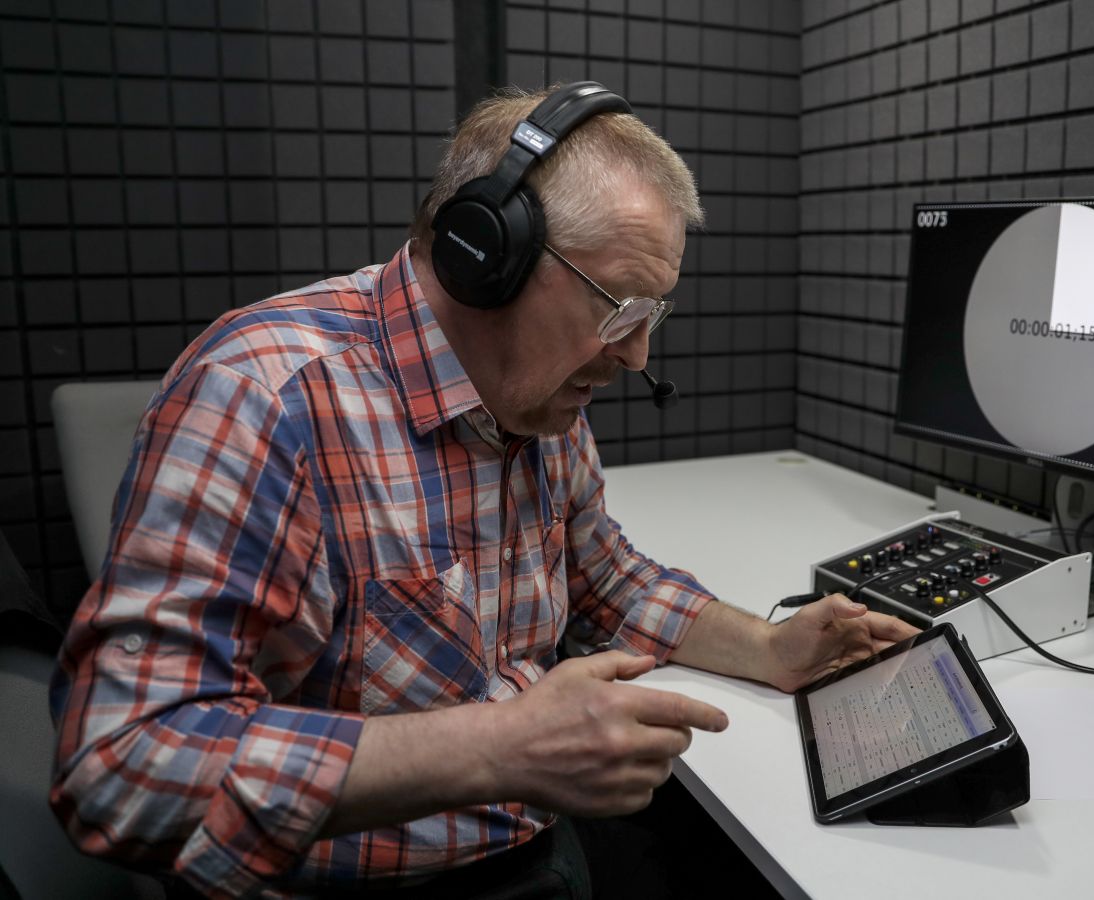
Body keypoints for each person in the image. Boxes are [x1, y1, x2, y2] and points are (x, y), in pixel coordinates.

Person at [49, 83, 918, 898]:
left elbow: (605, 580)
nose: (637, 356)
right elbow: (119, 765)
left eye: (651, 316)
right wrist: (497, 748)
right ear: (486, 254)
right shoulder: (265, 397)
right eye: (618, 309)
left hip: (532, 841)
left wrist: (769, 647)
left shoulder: (537, 398)